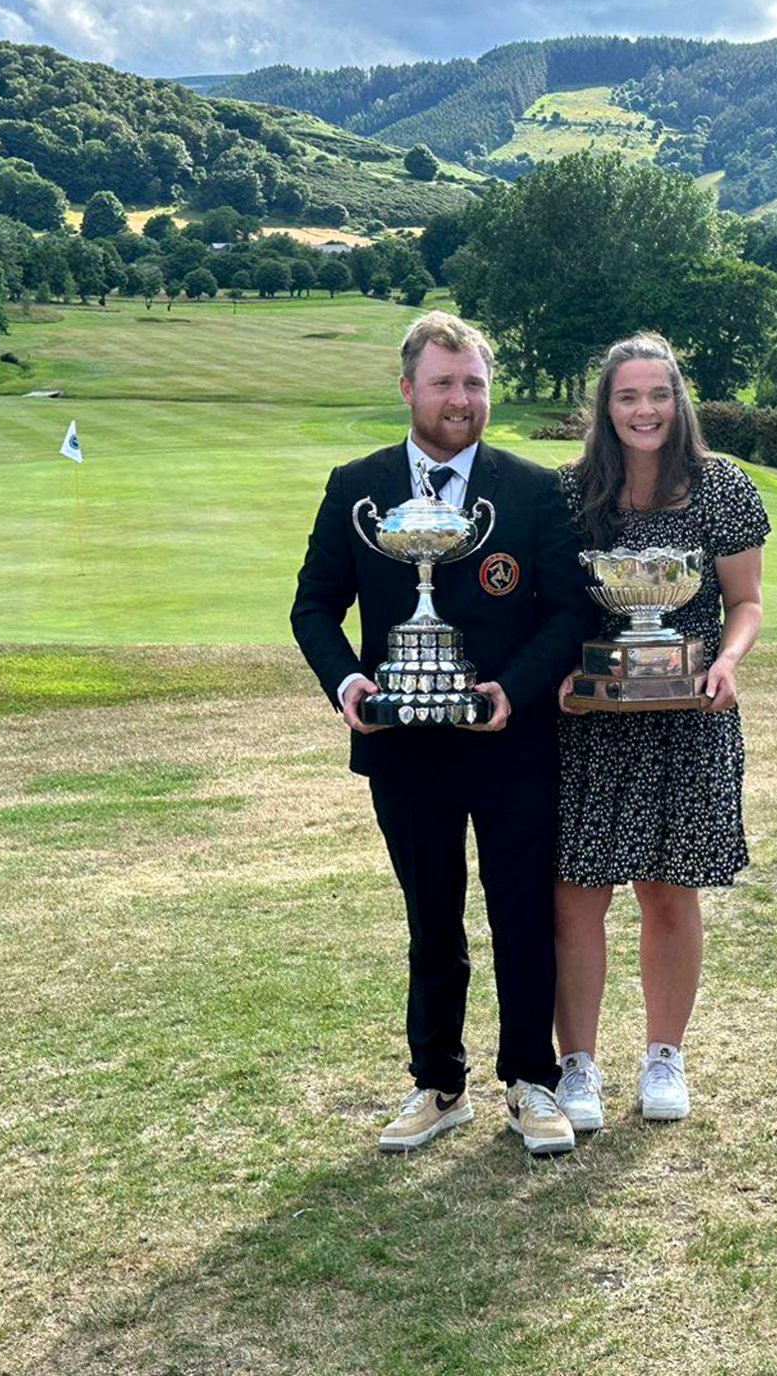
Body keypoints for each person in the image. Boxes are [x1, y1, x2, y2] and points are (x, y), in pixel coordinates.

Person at [291, 310, 596, 1156]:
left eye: (474, 383)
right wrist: (352, 682)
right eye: (443, 382)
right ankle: (438, 1084)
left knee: (522, 915)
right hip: (405, 745)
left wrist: (515, 690)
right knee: (433, 920)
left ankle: (531, 1082)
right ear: (407, 390)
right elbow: (313, 606)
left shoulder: (535, 490)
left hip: (513, 743)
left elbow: (567, 613)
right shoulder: (357, 486)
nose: (460, 399)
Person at [552, 332, 769, 1130]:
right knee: (577, 899)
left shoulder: (722, 487)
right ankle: (577, 1069)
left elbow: (744, 603)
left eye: (658, 394)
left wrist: (728, 661)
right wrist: (563, 684)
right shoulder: (571, 495)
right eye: (627, 396)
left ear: (680, 401)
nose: (644, 409)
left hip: (690, 714)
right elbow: (549, 612)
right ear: (604, 408)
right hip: (592, 723)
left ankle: (663, 1058)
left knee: (670, 895)